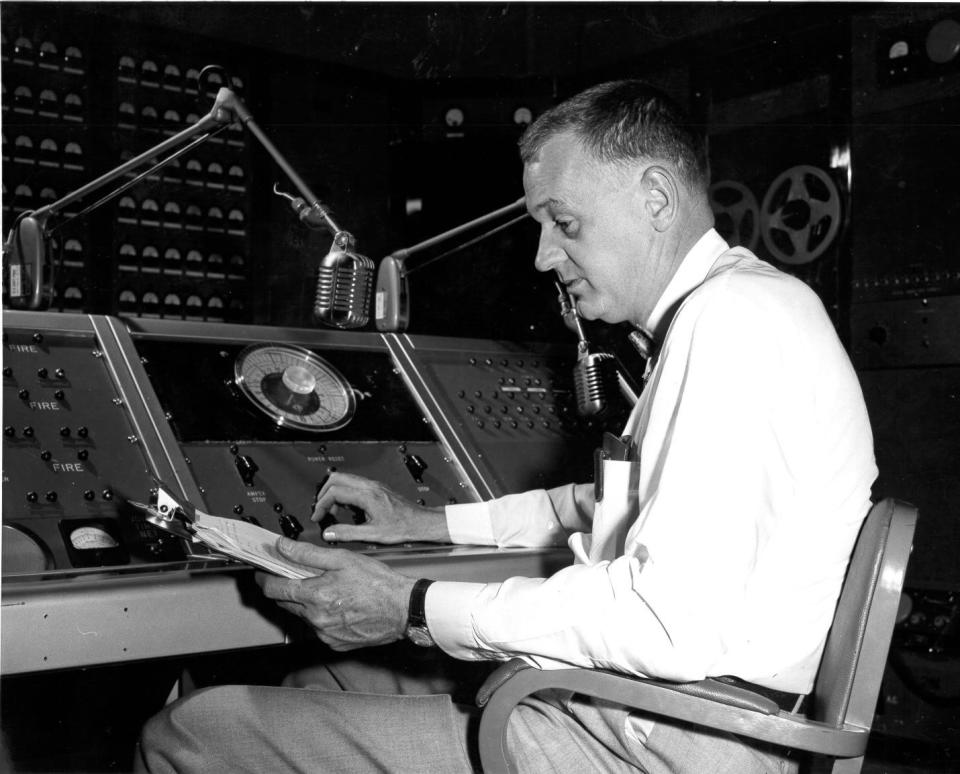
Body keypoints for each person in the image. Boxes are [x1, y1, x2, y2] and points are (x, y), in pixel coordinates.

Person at [136, 80, 877, 774]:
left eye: (565, 222)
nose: (545, 255)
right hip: (652, 714)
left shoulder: (738, 321)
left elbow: (664, 617)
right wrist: (424, 521)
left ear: (656, 197)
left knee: (191, 731)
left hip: (662, 743)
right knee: (321, 673)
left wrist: (414, 605)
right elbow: (591, 510)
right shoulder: (726, 316)